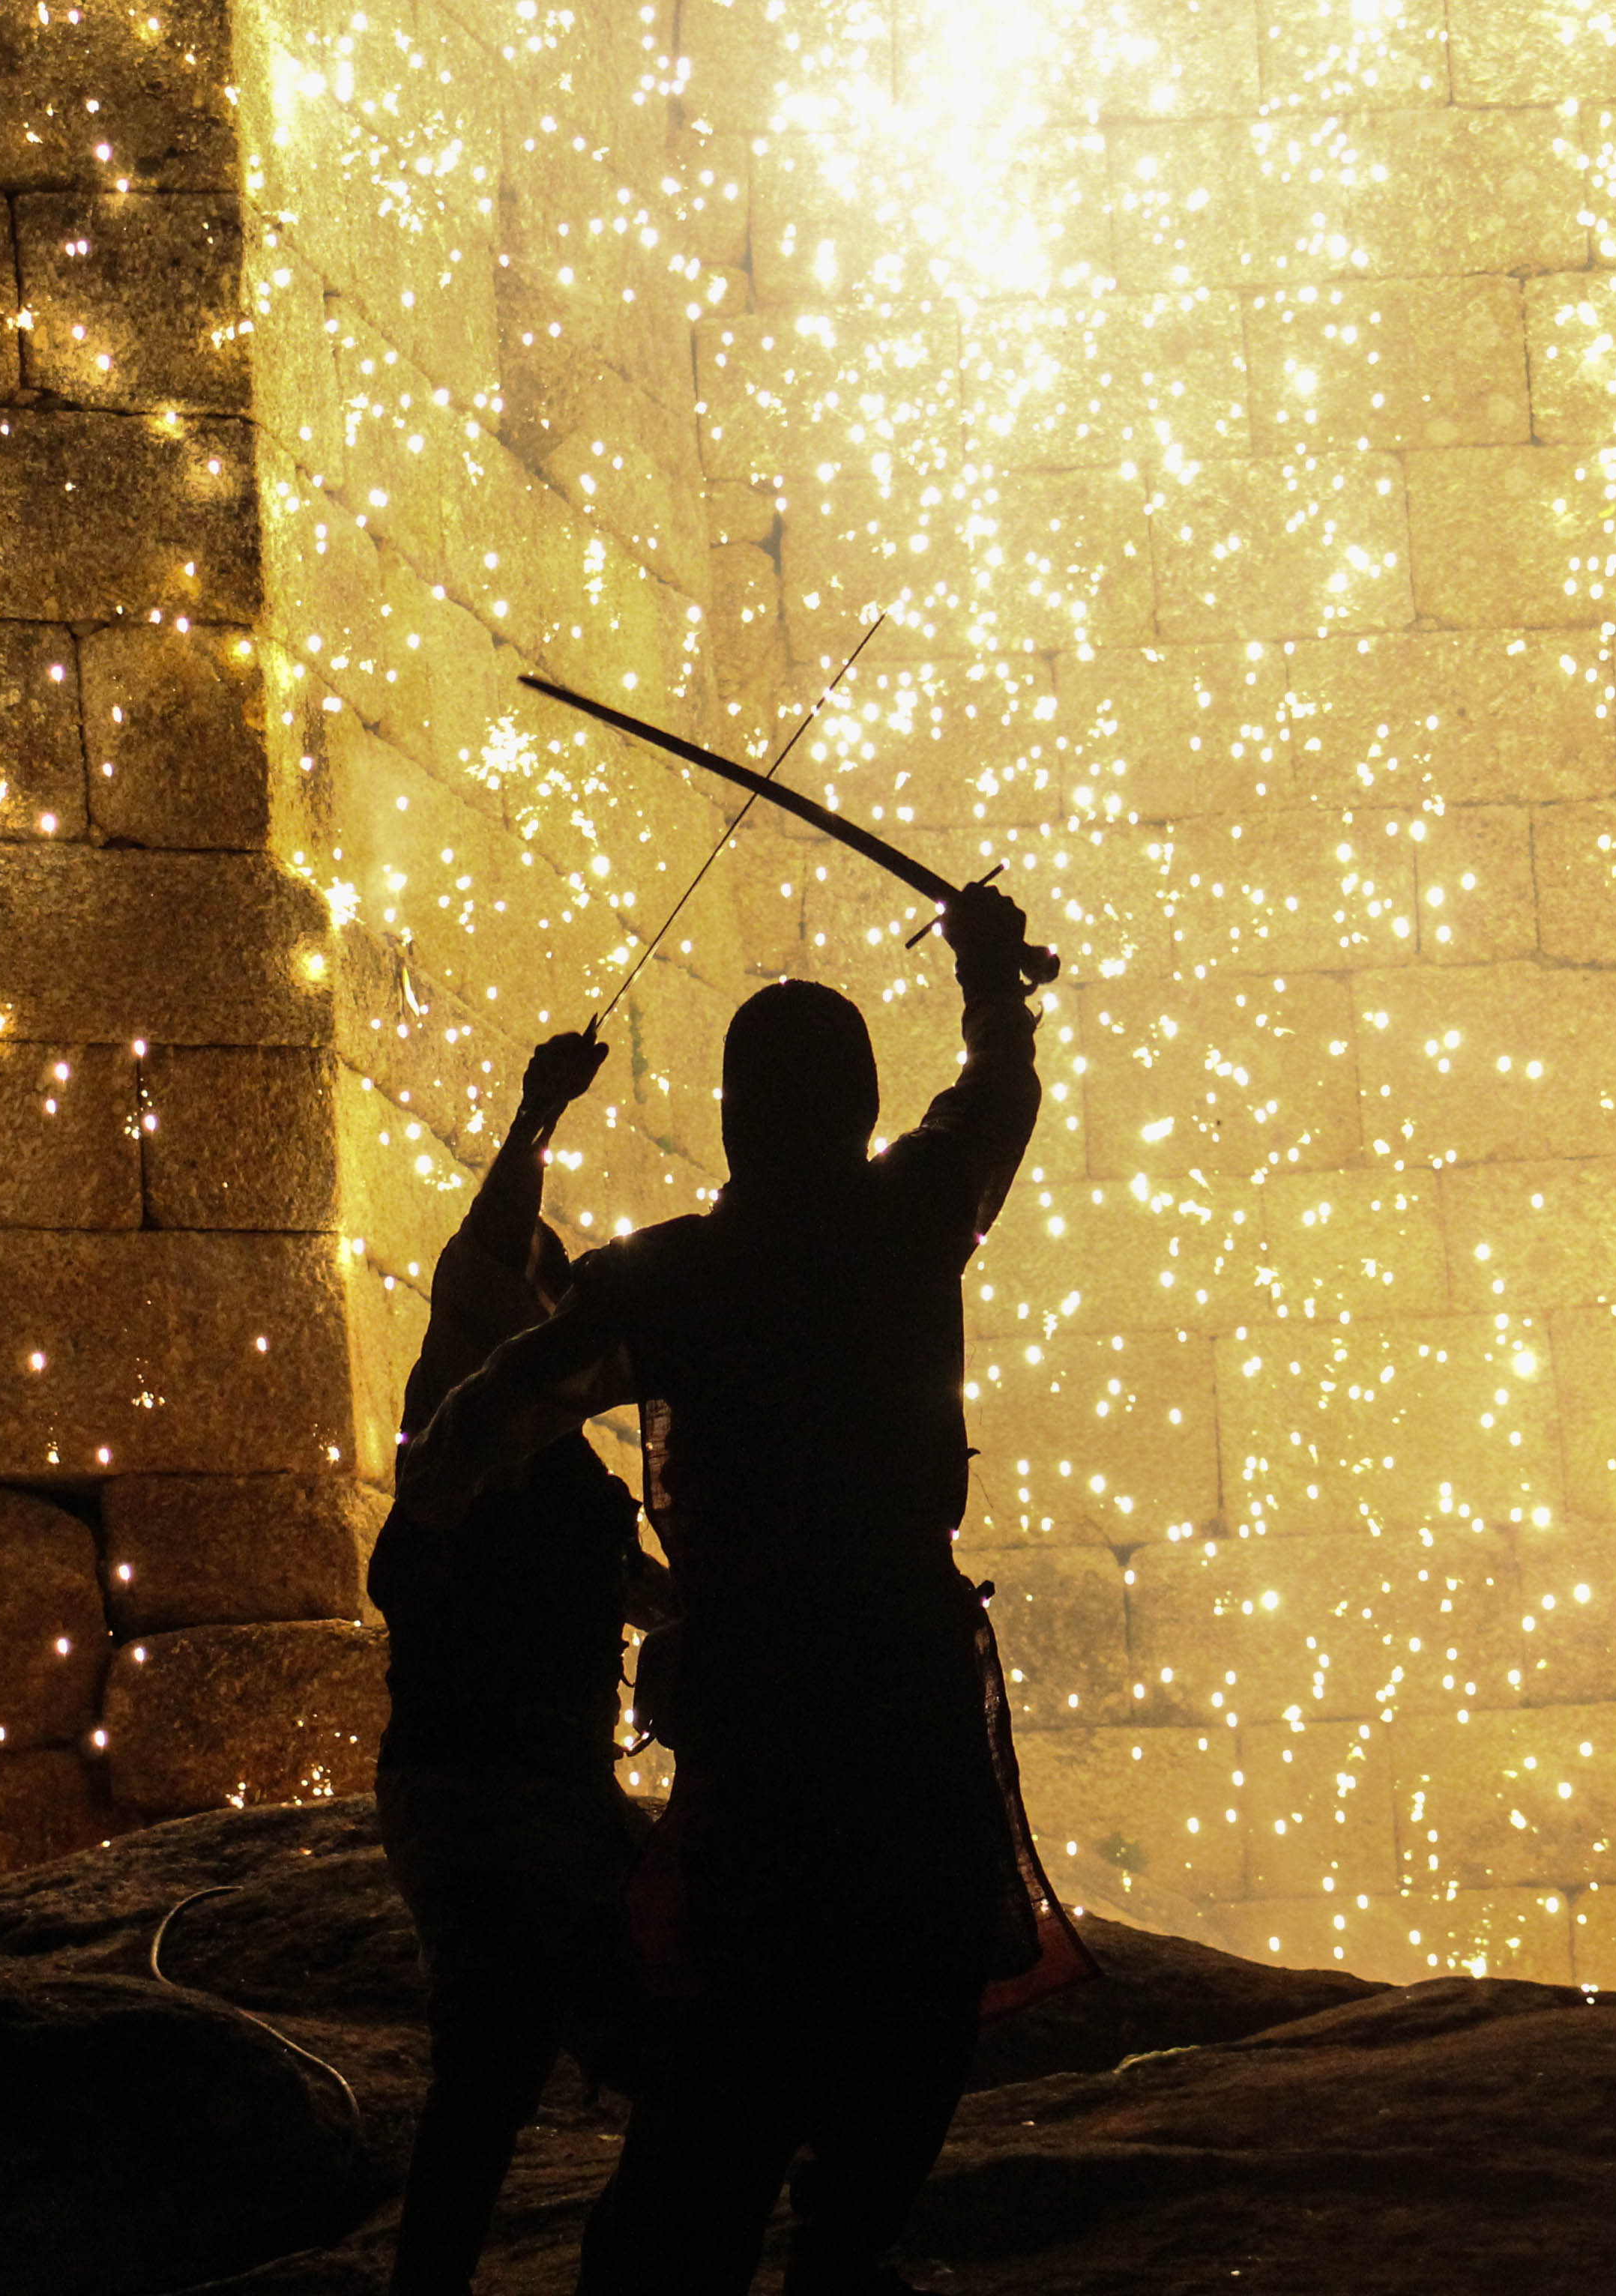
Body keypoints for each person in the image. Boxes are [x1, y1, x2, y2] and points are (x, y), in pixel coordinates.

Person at [409, 880, 1073, 2296]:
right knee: (902, 2007)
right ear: (852, 1106)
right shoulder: (910, 1213)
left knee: (735, 2036)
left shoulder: (671, 1277)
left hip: (761, 1698)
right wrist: (985, 977)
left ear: (732, 1115)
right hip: (895, 1684)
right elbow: (997, 1094)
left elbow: (488, 1403)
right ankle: (837, 2252)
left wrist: (444, 1504)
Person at [369, 1024, 671, 2296]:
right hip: (489, 1797)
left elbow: (637, 1592)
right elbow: (487, 1255)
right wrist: (533, 1115)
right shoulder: (457, 1440)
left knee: (514, 2068)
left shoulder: (548, 1475)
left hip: (511, 1794)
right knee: (591, 2054)